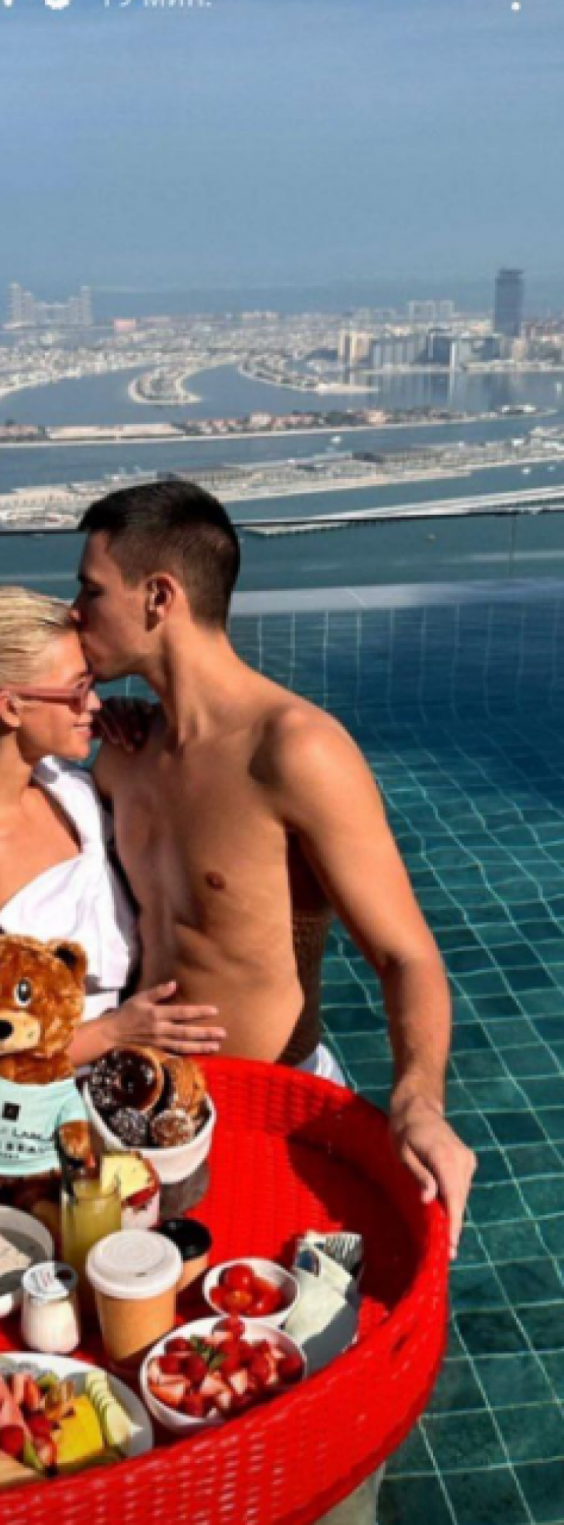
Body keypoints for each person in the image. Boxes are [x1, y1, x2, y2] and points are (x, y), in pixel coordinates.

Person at [72, 479, 476, 1261]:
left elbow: (406, 954)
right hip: (137, 1104)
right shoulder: (125, 755)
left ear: (159, 597)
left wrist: (418, 1099)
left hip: (273, 1106)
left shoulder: (294, 751)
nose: (73, 612)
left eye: (90, 590)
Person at [0, 585, 225, 1064]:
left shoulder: (65, 785)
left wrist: (128, 727)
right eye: (77, 689)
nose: (94, 704)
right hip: (45, 1098)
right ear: (10, 707)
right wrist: (110, 1033)